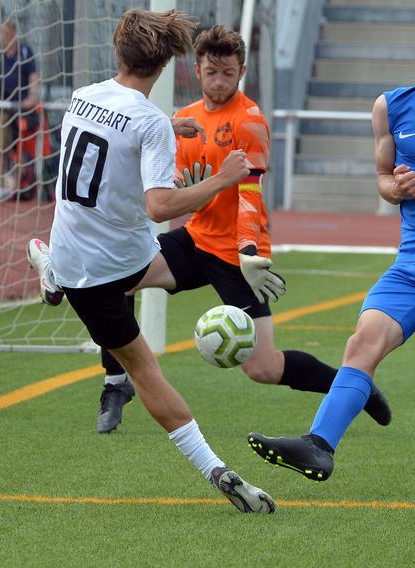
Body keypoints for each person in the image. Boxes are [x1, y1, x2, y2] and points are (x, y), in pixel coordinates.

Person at [27, 25, 391, 435]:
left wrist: (250, 249)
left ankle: (350, 388)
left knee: (263, 368)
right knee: (118, 280)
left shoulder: (249, 120)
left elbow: (250, 192)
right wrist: (183, 181)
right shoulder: (182, 119)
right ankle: (116, 383)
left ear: (242, 72)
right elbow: (172, 182)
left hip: (237, 253)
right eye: (211, 72)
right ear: (196, 71)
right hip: (196, 238)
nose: (219, 82)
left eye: (228, 73)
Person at [246, 14, 415, 493]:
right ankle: (320, 445)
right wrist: (396, 188)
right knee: (360, 345)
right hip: (411, 267)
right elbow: (383, 179)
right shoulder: (390, 108)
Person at [38, 8, 274, 514]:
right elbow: (161, 206)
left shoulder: (83, 97)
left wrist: (166, 127)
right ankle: (217, 469)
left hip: (80, 244)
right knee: (145, 369)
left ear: (117, 53)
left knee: (170, 267)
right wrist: (223, 177)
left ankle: (53, 271)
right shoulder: (150, 124)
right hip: (104, 271)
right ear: (166, 67)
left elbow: (111, 139)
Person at [0, 19, 41, 200]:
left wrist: (32, 97)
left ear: (15, 34)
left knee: (21, 145)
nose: (6, 37)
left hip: (22, 107)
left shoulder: (24, 52)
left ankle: (17, 185)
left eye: (9, 33)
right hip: (2, 107)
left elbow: (33, 77)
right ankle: (1, 185)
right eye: (3, 34)